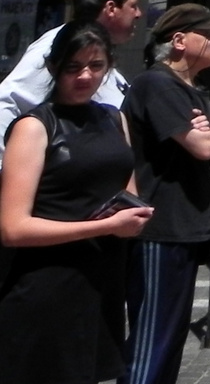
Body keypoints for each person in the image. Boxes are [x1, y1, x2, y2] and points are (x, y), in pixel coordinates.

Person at [0, 20, 154, 384]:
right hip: (47, 286)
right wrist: (105, 226)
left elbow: (125, 190)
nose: (85, 76)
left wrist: (135, 214)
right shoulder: (35, 127)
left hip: (102, 284)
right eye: (74, 67)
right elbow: (12, 228)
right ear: (53, 68)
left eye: (96, 66)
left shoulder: (113, 118)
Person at [121, 4, 210, 384]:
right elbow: (203, 147)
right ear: (180, 41)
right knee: (151, 344)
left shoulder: (193, 91)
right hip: (159, 229)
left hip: (187, 228)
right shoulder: (157, 84)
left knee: (170, 342)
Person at [0, 0, 144, 164]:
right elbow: (8, 101)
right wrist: (6, 168)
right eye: (133, 6)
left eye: (97, 66)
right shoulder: (58, 45)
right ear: (111, 8)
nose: (139, 14)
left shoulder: (102, 54)